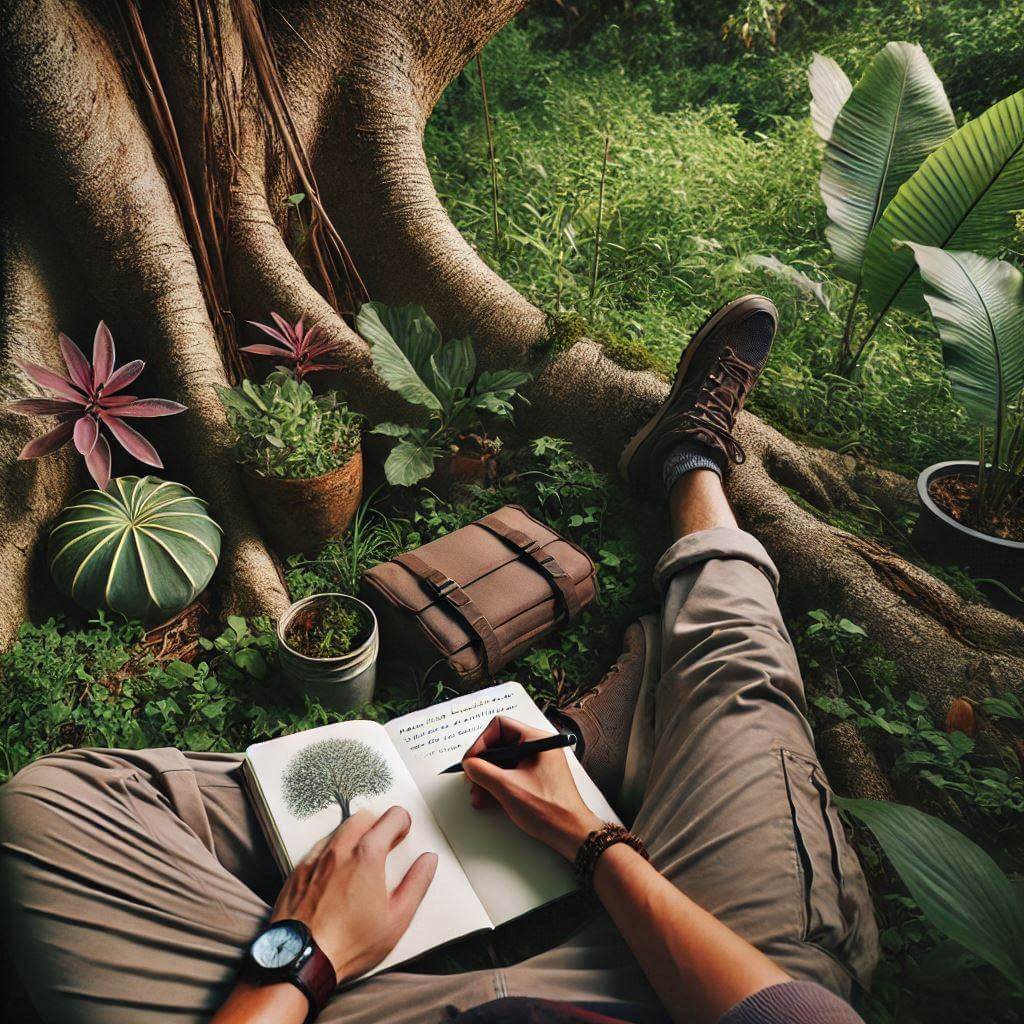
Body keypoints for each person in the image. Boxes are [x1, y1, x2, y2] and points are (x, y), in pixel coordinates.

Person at [0, 295, 878, 1024]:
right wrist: (593, 840)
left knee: (49, 808)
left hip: (350, 1005)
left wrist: (305, 953)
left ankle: (450, 790)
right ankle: (688, 465)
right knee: (739, 672)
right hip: (688, 978)